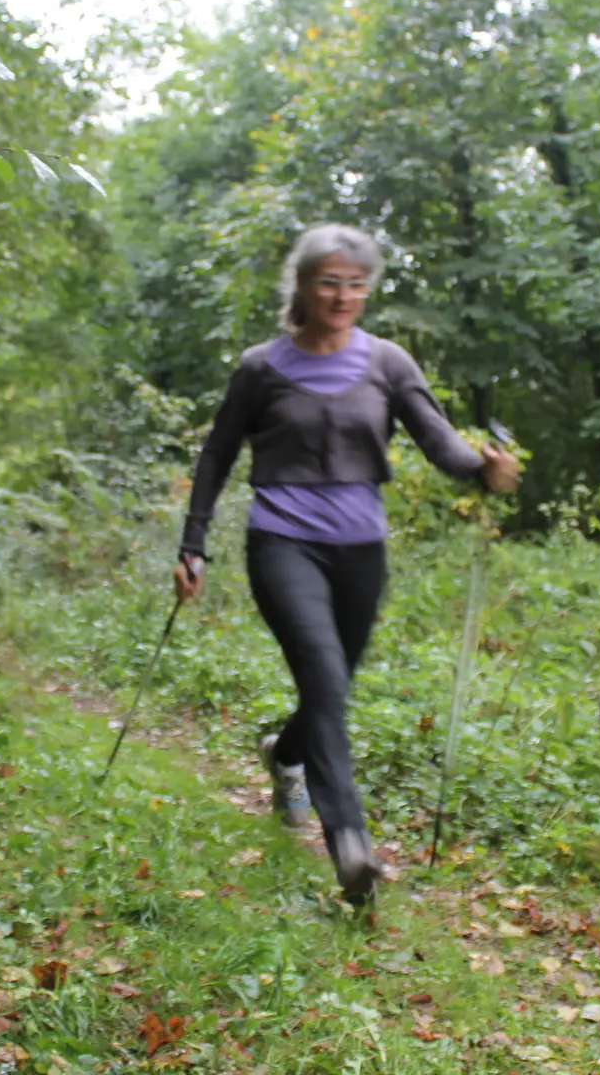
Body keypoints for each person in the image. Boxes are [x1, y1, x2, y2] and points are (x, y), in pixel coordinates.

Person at [173, 223, 519, 904]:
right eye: (329, 281)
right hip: (282, 542)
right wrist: (194, 543)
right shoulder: (260, 368)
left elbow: (439, 442)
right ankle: (351, 845)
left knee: (330, 685)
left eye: (356, 284)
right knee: (324, 673)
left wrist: (483, 469)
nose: (342, 296)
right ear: (302, 285)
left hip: (361, 549)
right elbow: (217, 455)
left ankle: (285, 754)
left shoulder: (388, 363)